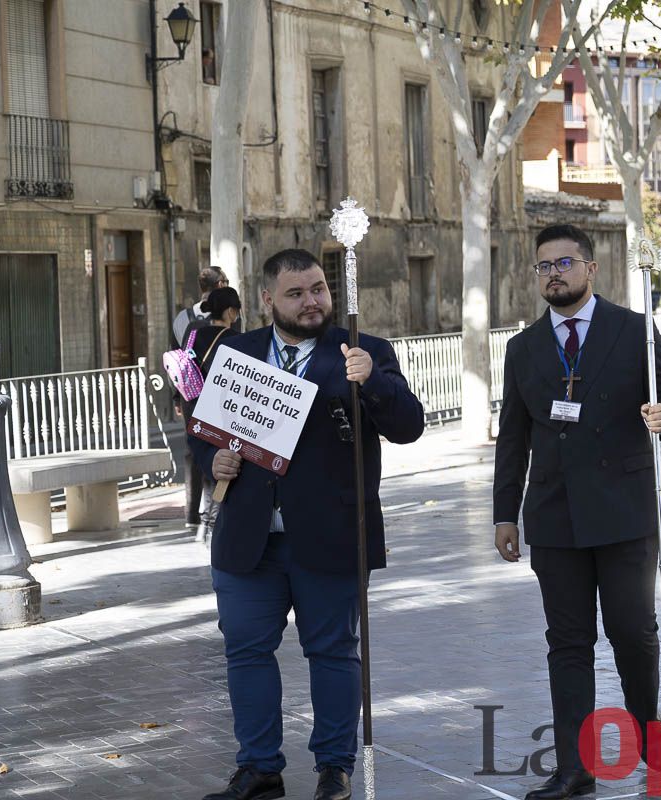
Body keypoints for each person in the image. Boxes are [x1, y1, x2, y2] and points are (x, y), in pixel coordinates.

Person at [190, 249, 425, 800]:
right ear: (268, 299)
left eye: (318, 289)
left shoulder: (364, 349)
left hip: (332, 536)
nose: (312, 301)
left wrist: (374, 384)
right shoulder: (235, 350)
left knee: (334, 654)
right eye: (296, 293)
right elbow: (205, 429)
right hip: (249, 541)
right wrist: (212, 460)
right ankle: (258, 768)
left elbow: (408, 426)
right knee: (245, 653)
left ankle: (335, 769)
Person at [493, 224, 661, 800]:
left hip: (627, 510)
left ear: (591, 268)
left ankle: (649, 730)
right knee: (568, 641)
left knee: (632, 632)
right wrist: (506, 513)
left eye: (565, 262)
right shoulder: (523, 348)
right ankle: (575, 767)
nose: (554, 273)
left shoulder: (633, 330)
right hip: (555, 515)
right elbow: (512, 438)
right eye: (544, 266)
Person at [182, 287, 242, 544]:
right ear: (231, 311)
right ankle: (213, 520)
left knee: (204, 461)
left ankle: (203, 522)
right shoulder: (235, 339)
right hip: (220, 409)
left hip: (193, 406)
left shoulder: (194, 334)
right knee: (223, 465)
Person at [173, 265, 229, 527]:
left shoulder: (182, 319)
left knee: (194, 450)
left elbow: (176, 360)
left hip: (189, 395)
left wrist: (177, 398)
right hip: (216, 394)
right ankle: (210, 511)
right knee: (216, 448)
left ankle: (193, 513)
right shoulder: (226, 315)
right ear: (219, 285)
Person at [172, 265, 229, 346]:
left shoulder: (181, 317)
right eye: (226, 282)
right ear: (220, 284)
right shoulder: (229, 317)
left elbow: (174, 351)